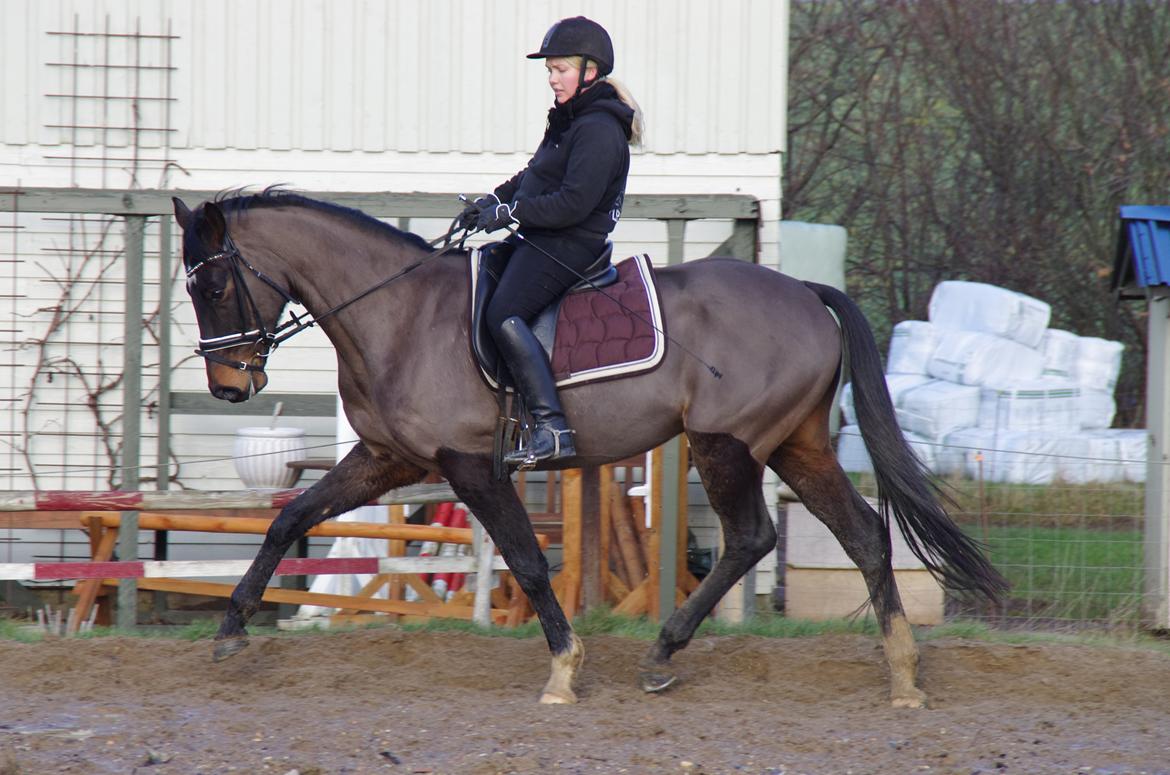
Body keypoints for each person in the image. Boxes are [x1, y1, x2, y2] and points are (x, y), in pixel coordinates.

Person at [466, 16, 644, 467]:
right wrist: (493, 200)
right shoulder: (569, 120)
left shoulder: (599, 128)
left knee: (504, 311)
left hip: (570, 243)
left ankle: (552, 427)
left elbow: (573, 204)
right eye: (549, 71)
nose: (552, 79)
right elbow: (535, 176)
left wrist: (512, 213)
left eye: (559, 69)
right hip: (543, 236)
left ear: (589, 71)